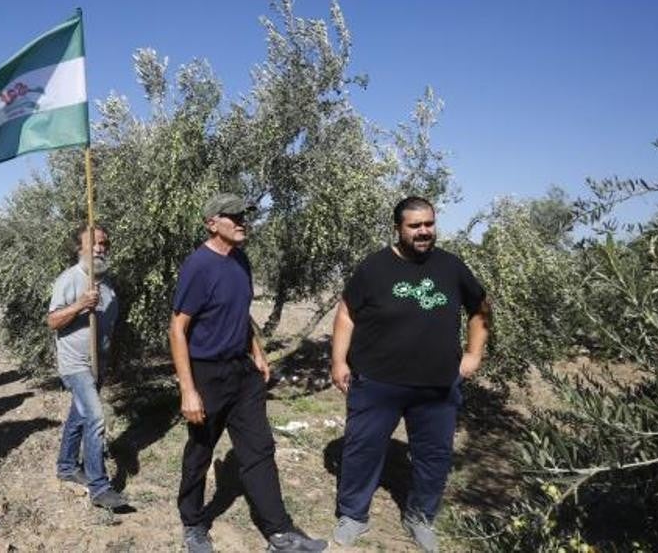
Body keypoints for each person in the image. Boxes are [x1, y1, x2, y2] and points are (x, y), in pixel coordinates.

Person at [330, 196, 490, 552]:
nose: (423, 232)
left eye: (429, 224)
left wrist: (474, 354)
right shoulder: (374, 267)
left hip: (436, 384)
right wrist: (339, 361)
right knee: (362, 449)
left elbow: (480, 308)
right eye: (415, 226)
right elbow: (346, 313)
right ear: (398, 228)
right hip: (376, 381)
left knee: (435, 455)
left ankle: (420, 517)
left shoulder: (451, 266)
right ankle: (353, 515)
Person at [170, 193, 328, 553]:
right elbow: (178, 328)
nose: (243, 221)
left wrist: (257, 352)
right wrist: (188, 390)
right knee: (200, 451)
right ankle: (193, 523)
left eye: (245, 215)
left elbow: (242, 314)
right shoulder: (198, 266)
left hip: (243, 373)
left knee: (259, 449)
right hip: (207, 373)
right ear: (212, 223)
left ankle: (279, 532)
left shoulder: (241, 260)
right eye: (233, 216)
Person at [47, 224, 128, 511]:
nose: (100, 248)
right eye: (93, 243)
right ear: (79, 248)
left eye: (104, 244)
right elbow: (53, 321)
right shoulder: (70, 279)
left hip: (97, 364)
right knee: (95, 418)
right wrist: (80, 305)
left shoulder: (107, 285)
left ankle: (67, 466)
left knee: (79, 416)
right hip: (74, 365)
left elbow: (110, 328)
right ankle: (99, 487)